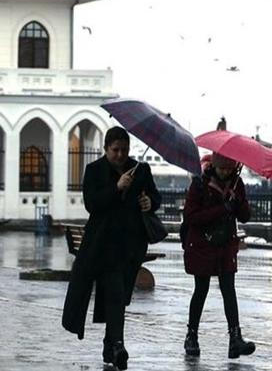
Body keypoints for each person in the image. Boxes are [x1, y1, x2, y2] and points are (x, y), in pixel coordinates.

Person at [62, 126, 161, 370]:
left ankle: (111, 344)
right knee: (115, 294)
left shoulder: (140, 170)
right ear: (106, 149)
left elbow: (155, 197)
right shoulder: (94, 171)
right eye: (115, 150)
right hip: (103, 246)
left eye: (124, 150)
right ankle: (117, 345)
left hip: (130, 245)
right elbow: (92, 204)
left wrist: (149, 202)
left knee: (119, 296)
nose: (120, 155)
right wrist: (116, 187)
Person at [182, 153, 255, 359]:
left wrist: (237, 201)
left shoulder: (236, 183)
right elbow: (191, 217)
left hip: (225, 245)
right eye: (222, 168)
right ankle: (192, 336)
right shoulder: (199, 184)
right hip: (202, 244)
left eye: (229, 168)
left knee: (228, 289)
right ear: (214, 166)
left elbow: (245, 216)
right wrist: (221, 208)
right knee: (201, 289)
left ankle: (235, 338)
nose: (225, 172)